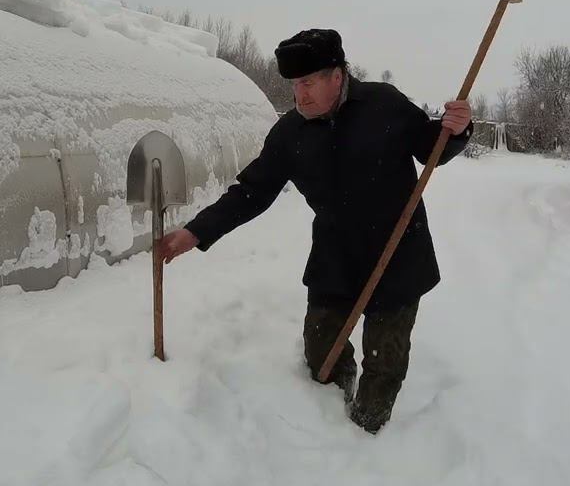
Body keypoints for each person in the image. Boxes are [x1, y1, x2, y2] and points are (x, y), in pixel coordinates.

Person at [159, 28, 472, 433]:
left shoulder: (384, 104)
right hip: (335, 258)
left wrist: (457, 128)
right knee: (322, 351)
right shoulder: (290, 133)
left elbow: (432, 148)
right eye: (294, 85)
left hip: (396, 255)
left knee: (384, 363)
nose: (299, 95)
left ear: (337, 77)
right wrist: (196, 232)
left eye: (307, 83)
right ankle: (330, 413)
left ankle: (366, 436)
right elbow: (252, 192)